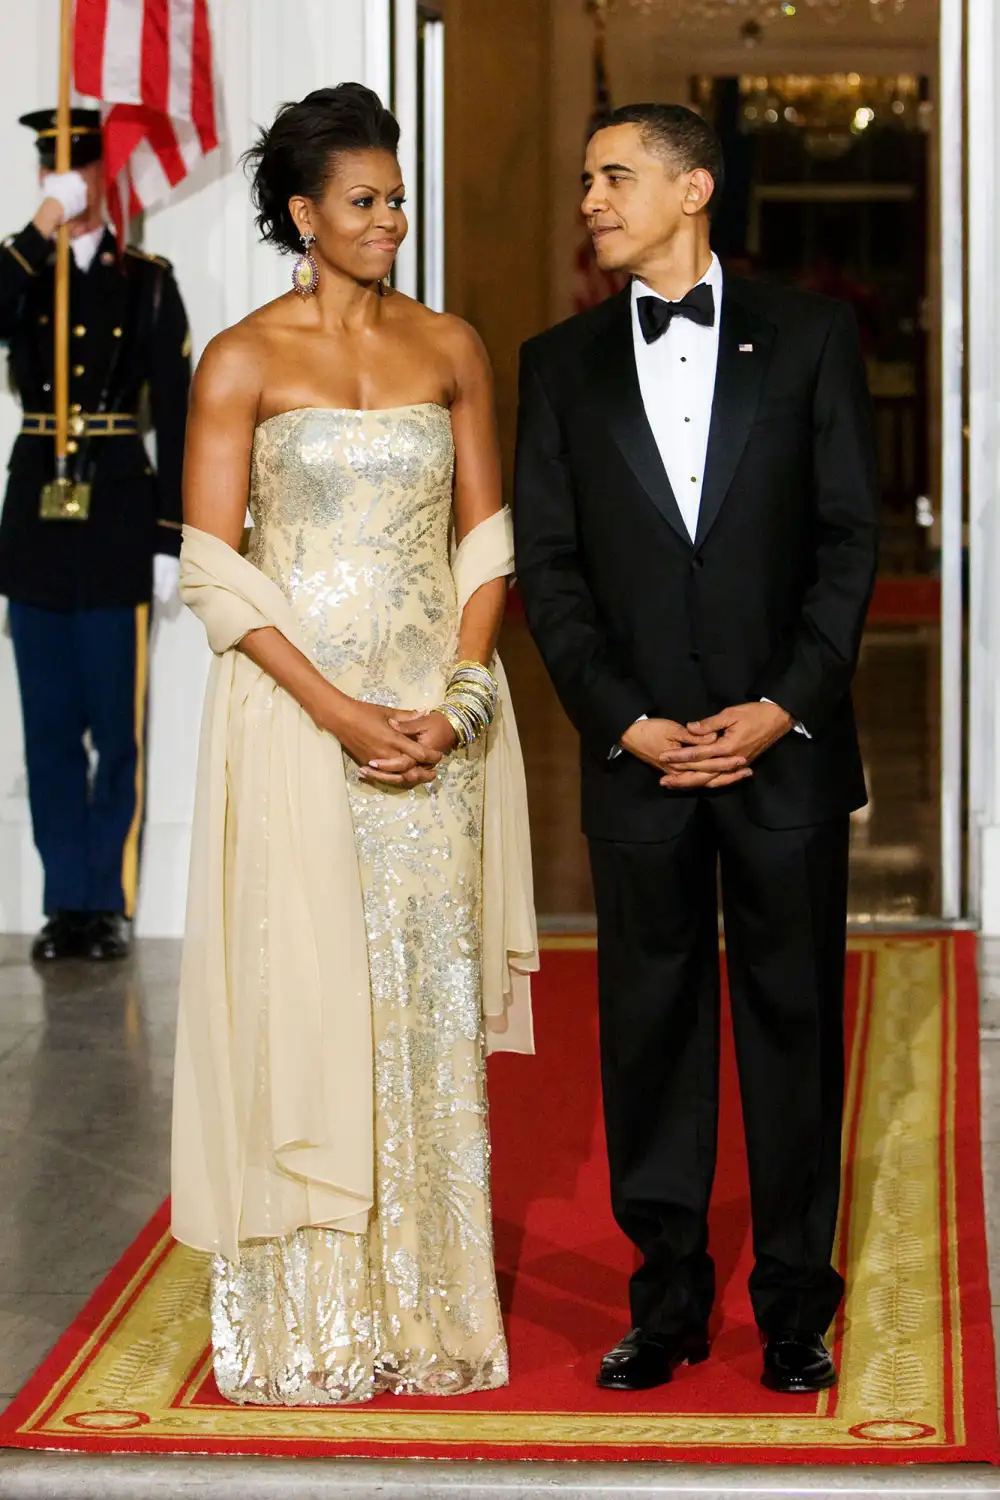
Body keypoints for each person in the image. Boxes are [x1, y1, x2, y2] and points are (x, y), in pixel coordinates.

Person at [171, 83, 537, 1406]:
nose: (392, 219)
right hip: (295, 728)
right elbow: (214, 571)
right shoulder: (240, 360)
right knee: (305, 1000)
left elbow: (489, 545)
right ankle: (309, 1325)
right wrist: (333, 710)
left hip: (435, 738)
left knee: (424, 1009)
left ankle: (432, 1313)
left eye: (397, 198)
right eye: (367, 200)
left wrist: (457, 699)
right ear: (301, 214)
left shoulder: (453, 345)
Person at [514, 104, 877, 1395]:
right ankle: (663, 1304)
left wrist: (783, 706)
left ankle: (794, 1307)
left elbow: (849, 544)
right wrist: (622, 721)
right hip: (639, 761)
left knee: (794, 1032)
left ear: (695, 188)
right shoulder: (556, 366)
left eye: (614, 177)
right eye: (584, 179)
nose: (590, 202)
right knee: (649, 1034)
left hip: (784, 753)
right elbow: (550, 574)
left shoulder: (815, 338)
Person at [0, 108, 191, 962]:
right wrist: (38, 230)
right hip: (37, 518)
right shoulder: (24, 269)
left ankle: (106, 903)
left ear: (102, 180)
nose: (67, 188)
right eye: (55, 176)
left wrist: (167, 535)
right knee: (46, 725)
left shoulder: (147, 279)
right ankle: (62, 901)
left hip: (116, 515)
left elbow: (180, 415)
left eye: (77, 177)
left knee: (117, 727)